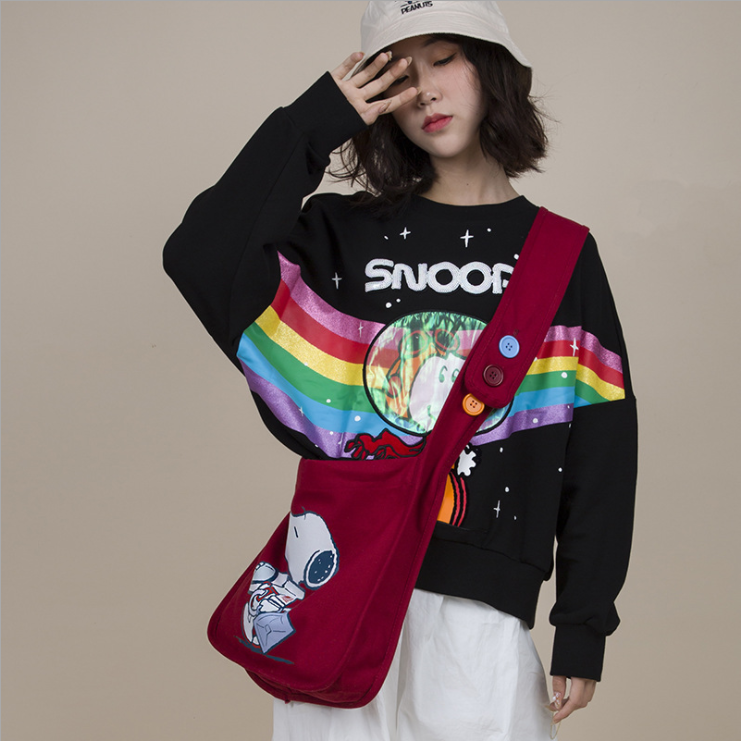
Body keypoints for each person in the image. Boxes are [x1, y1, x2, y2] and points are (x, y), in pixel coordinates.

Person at [163, 2, 638, 739]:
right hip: (332, 594)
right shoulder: (339, 236)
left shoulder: (562, 255)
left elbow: (601, 450)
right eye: (399, 74)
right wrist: (316, 120)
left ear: (492, 68)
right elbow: (201, 253)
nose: (424, 91)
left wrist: (583, 622)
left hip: (478, 619)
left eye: (442, 58)